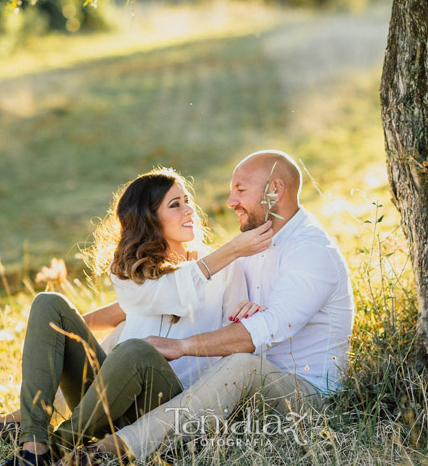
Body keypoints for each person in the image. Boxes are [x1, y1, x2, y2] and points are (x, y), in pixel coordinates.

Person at [0, 168, 273, 466]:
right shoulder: (130, 274)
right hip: (109, 398)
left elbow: (238, 336)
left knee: (137, 350)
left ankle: (58, 445)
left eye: (187, 201)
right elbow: (166, 293)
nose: (190, 210)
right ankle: (32, 447)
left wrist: (247, 309)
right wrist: (64, 329)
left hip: (164, 404)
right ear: (149, 219)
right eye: (175, 204)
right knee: (49, 303)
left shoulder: (225, 267)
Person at [87, 150, 355, 462]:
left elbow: (268, 329)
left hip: (305, 398)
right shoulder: (256, 240)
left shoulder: (310, 251)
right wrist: (82, 322)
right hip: (239, 386)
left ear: (275, 190)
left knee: (242, 365)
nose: (230, 201)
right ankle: (35, 418)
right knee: (125, 331)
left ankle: (114, 449)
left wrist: (181, 345)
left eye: (241, 190)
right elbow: (160, 296)